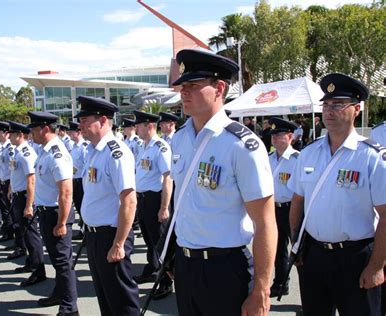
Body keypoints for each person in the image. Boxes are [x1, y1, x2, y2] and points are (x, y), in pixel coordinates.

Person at [162, 49, 276, 315]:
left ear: (219, 88)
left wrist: (262, 289)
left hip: (225, 268)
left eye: (193, 85)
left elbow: (265, 222)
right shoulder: (179, 139)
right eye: (182, 86)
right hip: (186, 265)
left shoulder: (241, 145)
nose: (184, 92)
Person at [288, 73, 386, 316]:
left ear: (357, 109)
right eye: (326, 105)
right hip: (315, 256)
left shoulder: (372, 157)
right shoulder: (308, 154)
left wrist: (376, 265)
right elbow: (297, 202)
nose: (329, 111)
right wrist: (297, 244)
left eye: (338, 105)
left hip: (356, 257)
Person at [76, 96, 140, 315]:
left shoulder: (116, 153)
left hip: (111, 236)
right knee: (105, 297)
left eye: (85, 120)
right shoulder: (93, 151)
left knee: (121, 299)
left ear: (103, 120)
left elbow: (129, 201)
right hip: (94, 235)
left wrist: (119, 243)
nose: (80, 125)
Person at [28, 111, 79, 316]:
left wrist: (62, 222)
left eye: (33, 129)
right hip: (47, 212)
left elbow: (66, 192)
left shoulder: (57, 153)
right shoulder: (44, 151)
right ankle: (60, 293)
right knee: (57, 260)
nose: (30, 133)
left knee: (63, 262)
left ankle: (69, 307)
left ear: (45, 129)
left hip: (57, 214)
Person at [132, 111, 172, 282]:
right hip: (142, 199)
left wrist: (164, 207)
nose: (136, 129)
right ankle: (152, 268)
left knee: (160, 242)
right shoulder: (143, 146)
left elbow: (168, 178)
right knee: (149, 239)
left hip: (155, 200)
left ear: (149, 126)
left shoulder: (160, 147)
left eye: (139, 126)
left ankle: (165, 280)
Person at [7, 121, 47, 287]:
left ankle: (39, 269)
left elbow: (31, 179)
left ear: (20, 135)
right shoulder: (17, 152)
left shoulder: (26, 153)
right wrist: (11, 188)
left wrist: (29, 204)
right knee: (24, 231)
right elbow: (15, 172)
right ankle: (31, 261)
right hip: (18, 195)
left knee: (31, 233)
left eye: (11, 134)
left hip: (25, 196)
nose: (9, 136)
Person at [267, 117, 299, 298]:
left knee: (298, 250)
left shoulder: (297, 159)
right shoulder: (269, 158)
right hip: (273, 209)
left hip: (291, 208)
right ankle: (280, 283)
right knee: (278, 248)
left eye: (279, 134)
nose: (274, 138)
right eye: (273, 135)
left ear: (290, 136)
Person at [68, 121, 88, 239]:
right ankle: (83, 231)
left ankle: (87, 233)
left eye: (72, 131)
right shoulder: (74, 146)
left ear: (78, 132)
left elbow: (86, 166)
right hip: (74, 181)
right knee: (79, 207)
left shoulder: (84, 147)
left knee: (83, 207)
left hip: (81, 181)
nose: (70, 133)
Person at [0, 121, 14, 242]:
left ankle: (10, 232)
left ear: (6, 133)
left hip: (9, 182)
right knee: (5, 208)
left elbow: (13, 168)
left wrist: (10, 186)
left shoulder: (10, 148)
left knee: (10, 211)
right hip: (4, 181)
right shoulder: (3, 147)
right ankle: (8, 230)